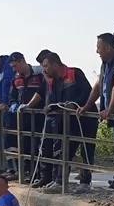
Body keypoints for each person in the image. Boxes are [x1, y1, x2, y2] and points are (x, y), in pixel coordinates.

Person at [36, 51, 96, 192]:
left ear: (55, 65)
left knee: (87, 151)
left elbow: (87, 91)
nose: (44, 70)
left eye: (46, 66)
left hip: (86, 119)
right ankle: (60, 181)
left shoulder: (74, 73)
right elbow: (57, 102)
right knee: (64, 151)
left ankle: (85, 183)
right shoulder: (54, 81)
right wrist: (49, 107)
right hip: (68, 122)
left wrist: (76, 104)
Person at [81, 33, 114, 190]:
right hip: (112, 115)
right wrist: (88, 105)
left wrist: (110, 109)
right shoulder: (105, 63)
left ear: (108, 48)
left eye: (99, 48)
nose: (97, 51)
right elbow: (99, 85)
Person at [9, 52, 46, 178]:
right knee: (24, 145)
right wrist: (13, 103)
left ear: (22, 61)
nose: (14, 69)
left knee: (37, 145)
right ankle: (29, 172)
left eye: (15, 66)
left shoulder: (38, 75)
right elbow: (12, 95)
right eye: (12, 67)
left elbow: (44, 92)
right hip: (22, 118)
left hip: (38, 117)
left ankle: (39, 173)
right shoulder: (16, 79)